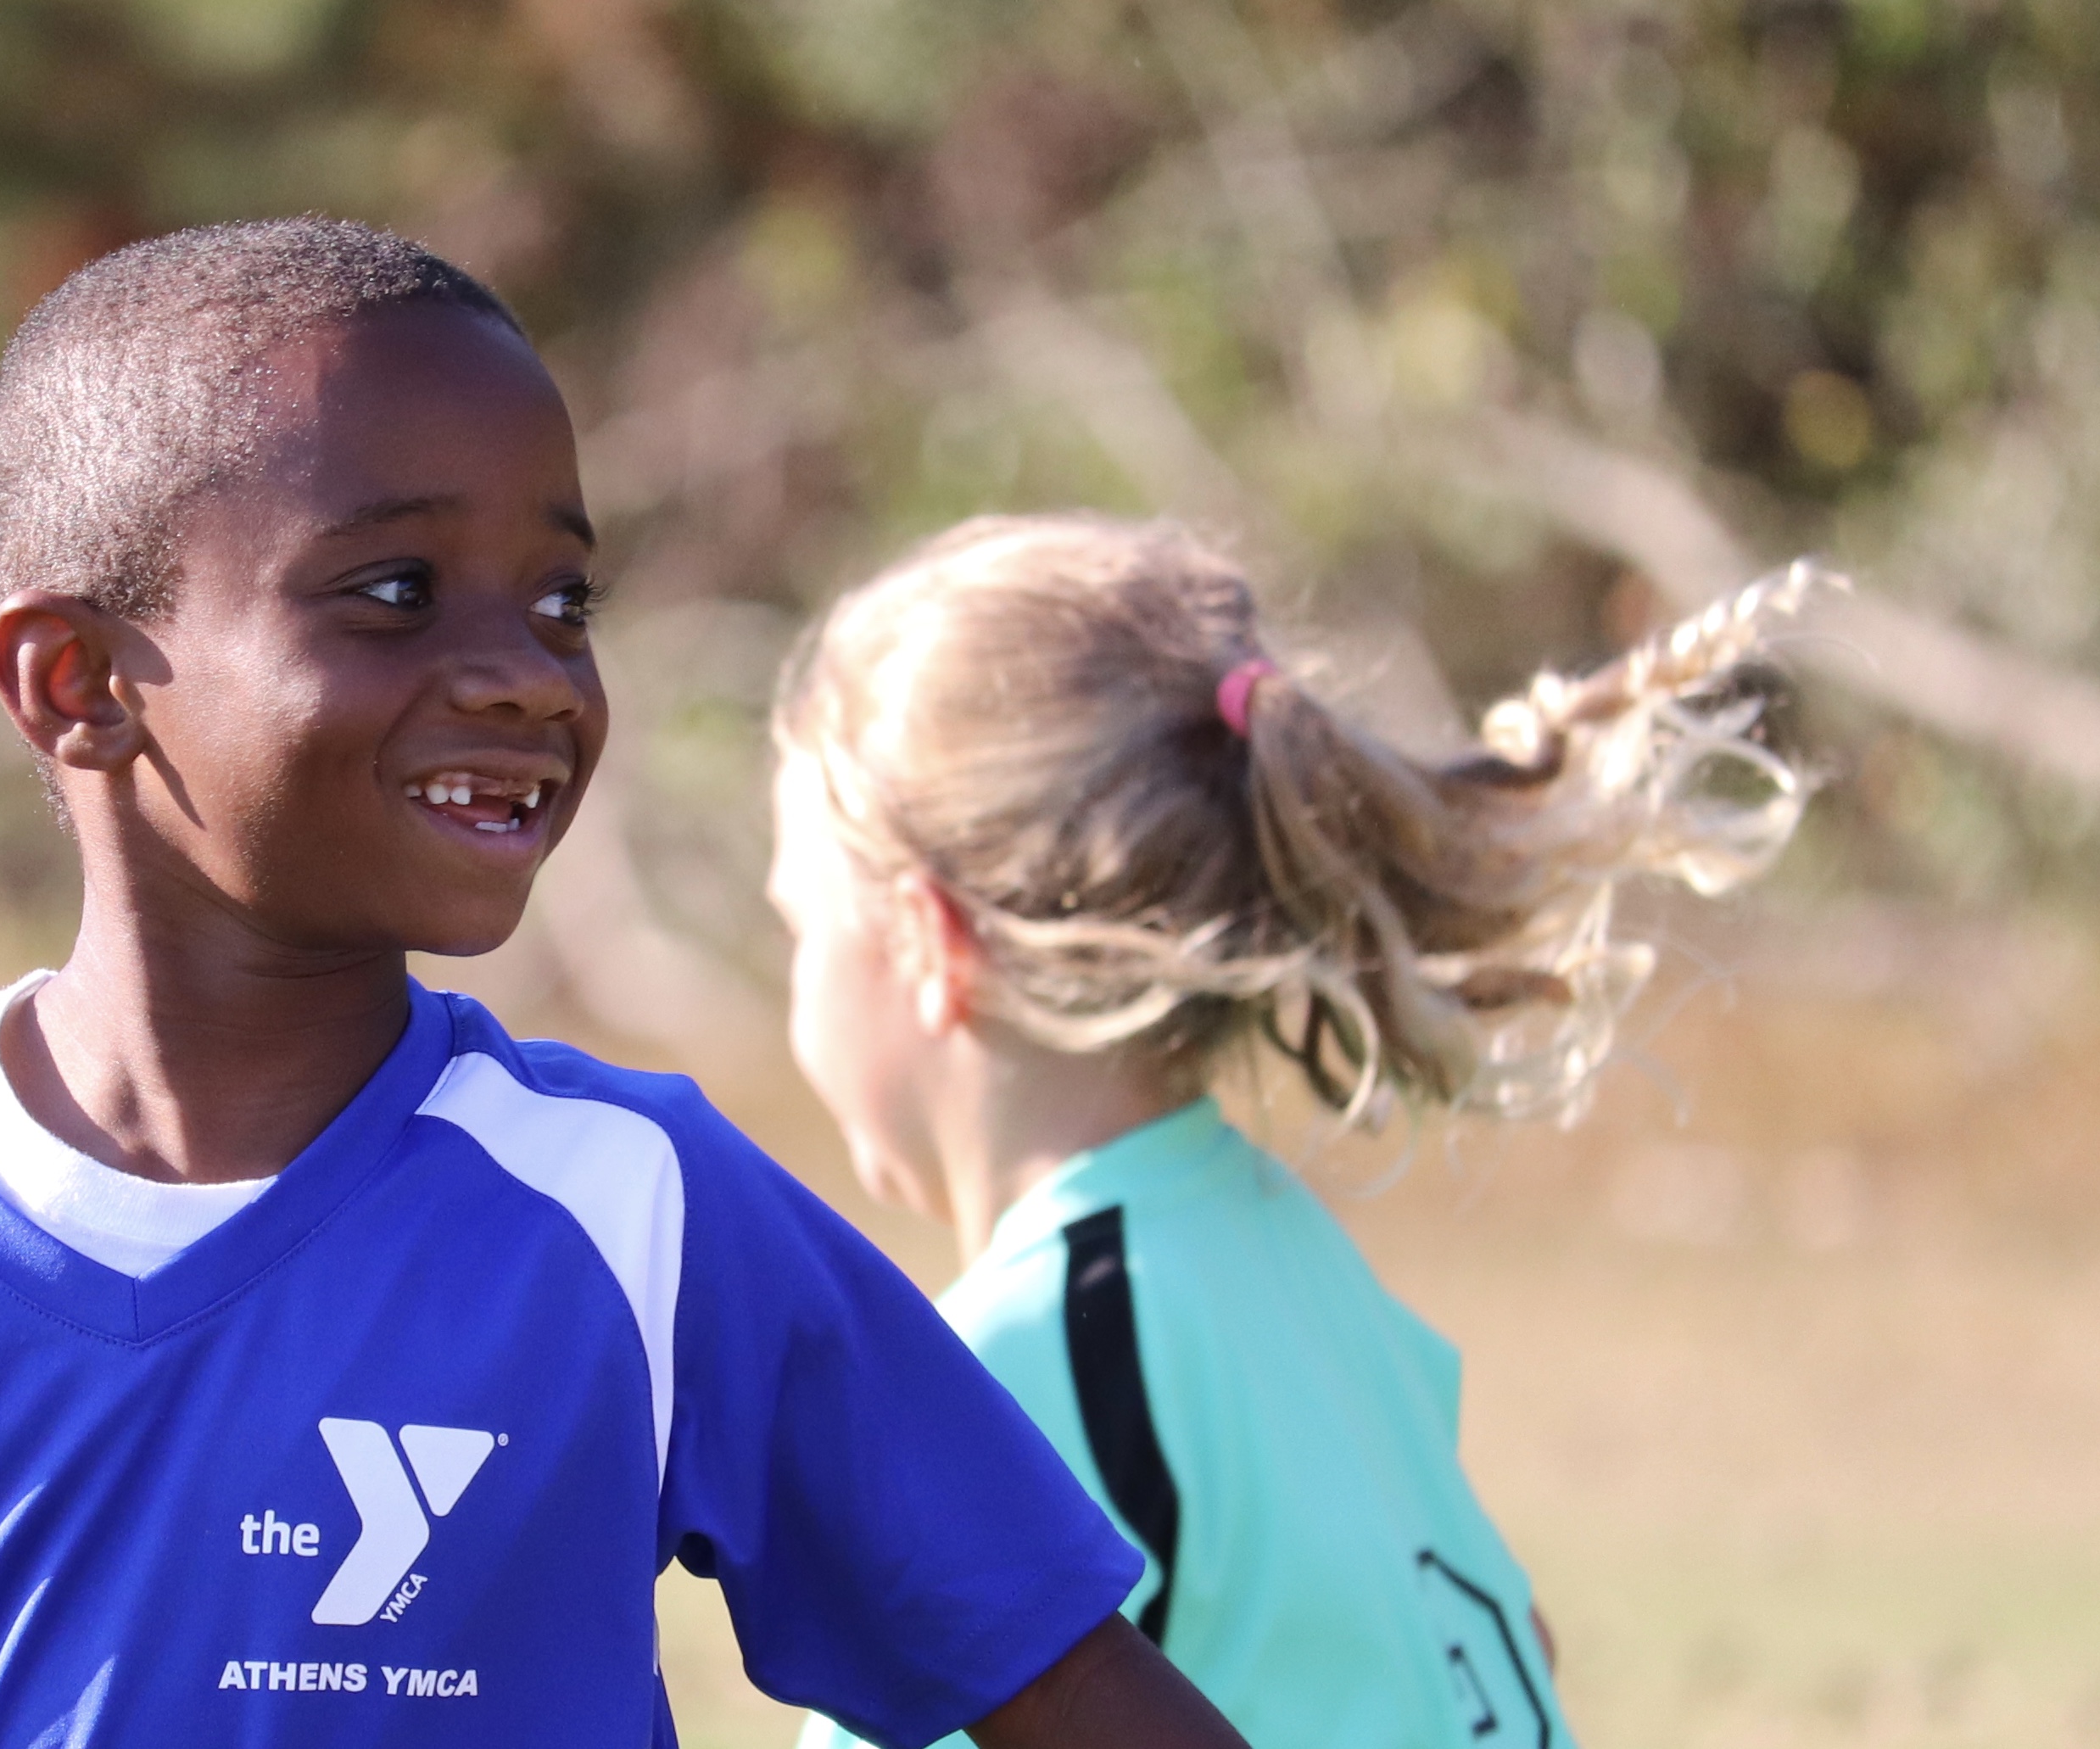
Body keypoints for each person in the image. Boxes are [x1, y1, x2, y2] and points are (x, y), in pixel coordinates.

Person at [0, 221, 1250, 1749]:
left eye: (563, 598)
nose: (527, 675)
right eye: (395, 591)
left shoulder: (635, 1208)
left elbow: (1067, 1686)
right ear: (78, 681)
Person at [760, 515, 1827, 1749]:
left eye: (800, 927)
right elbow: (1514, 1642)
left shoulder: (1013, 1369)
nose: (796, 980)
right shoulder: (1290, 1253)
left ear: (924, 940)